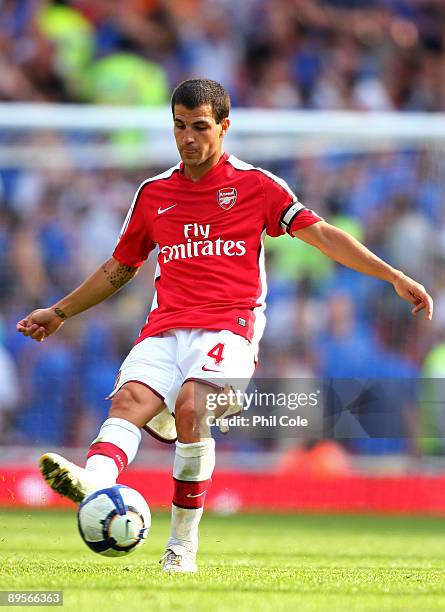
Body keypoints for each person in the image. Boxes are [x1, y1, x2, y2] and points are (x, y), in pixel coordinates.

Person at [16, 78, 433, 573]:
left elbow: (321, 234)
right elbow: (119, 268)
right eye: (178, 126)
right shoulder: (154, 195)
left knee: (193, 406)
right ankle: (95, 482)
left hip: (229, 331)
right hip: (165, 328)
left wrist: (392, 275)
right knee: (128, 402)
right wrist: (59, 312)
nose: (187, 138)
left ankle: (180, 549)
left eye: (199, 127)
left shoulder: (257, 187)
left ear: (224, 127)